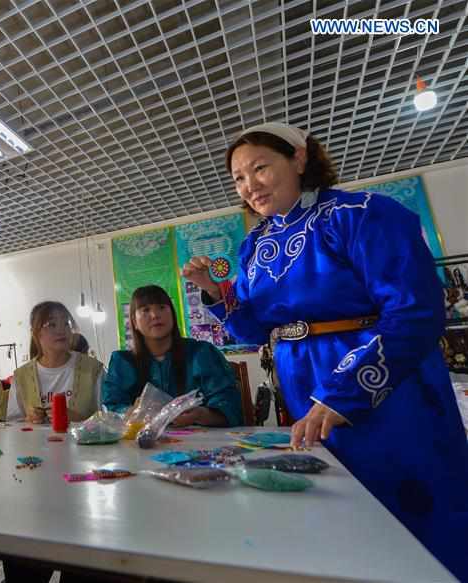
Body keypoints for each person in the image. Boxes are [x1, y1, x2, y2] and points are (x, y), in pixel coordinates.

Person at [181, 121, 468, 579]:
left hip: (387, 388)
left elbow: (414, 312)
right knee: (341, 512)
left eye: (260, 167)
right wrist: (213, 292)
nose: (249, 185)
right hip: (302, 389)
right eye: (238, 177)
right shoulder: (254, 246)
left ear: (298, 159)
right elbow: (257, 330)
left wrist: (344, 391)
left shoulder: (363, 214)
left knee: (412, 506)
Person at [101, 285, 243, 426]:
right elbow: (112, 408)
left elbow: (230, 405)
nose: (155, 315)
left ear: (173, 315)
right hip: (141, 445)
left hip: (200, 444)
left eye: (162, 307)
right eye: (146, 310)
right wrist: (131, 412)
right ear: (134, 322)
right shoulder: (122, 362)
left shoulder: (202, 353)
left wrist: (200, 414)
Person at [7, 301, 104, 423]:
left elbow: (109, 419)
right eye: (52, 324)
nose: (61, 330)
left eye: (66, 323)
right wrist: (28, 419)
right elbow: (10, 425)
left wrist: (80, 420)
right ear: (36, 333)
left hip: (82, 442)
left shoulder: (93, 370)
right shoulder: (21, 376)